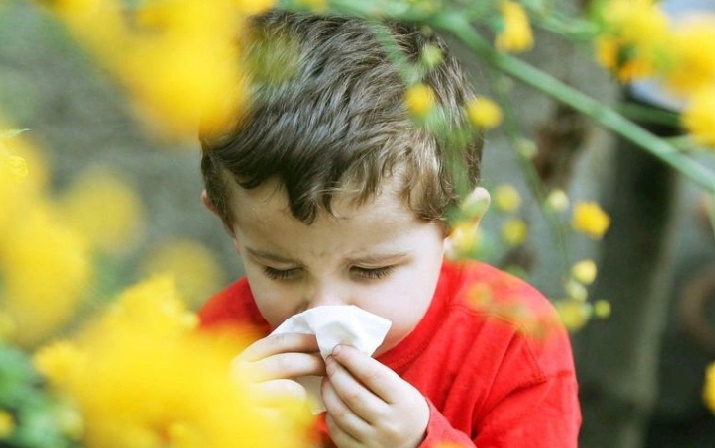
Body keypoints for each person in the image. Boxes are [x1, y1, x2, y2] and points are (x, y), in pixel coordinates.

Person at [197, 9, 580, 447]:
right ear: (230, 227)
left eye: (371, 270)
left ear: (459, 227)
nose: (322, 310)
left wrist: (420, 441)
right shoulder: (216, 339)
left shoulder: (515, 340)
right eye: (281, 270)